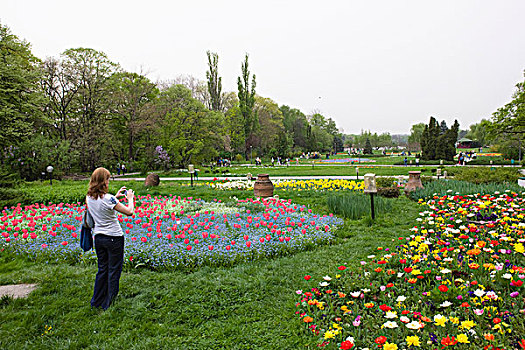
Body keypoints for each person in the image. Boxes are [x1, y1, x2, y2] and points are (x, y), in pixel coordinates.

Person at [87, 167, 134, 310]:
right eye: (107, 179)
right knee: (114, 270)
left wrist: (116, 197)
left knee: (102, 269)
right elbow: (129, 212)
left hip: (99, 238)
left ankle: (96, 300)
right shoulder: (108, 199)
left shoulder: (89, 197)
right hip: (114, 238)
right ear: (103, 182)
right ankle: (109, 302)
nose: (108, 181)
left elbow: (104, 202)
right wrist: (130, 199)